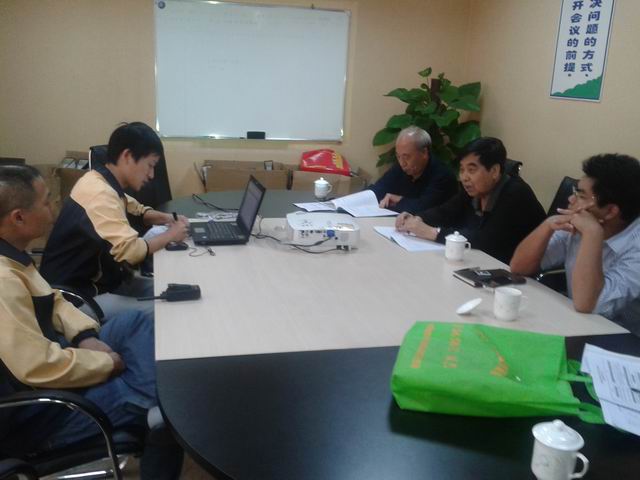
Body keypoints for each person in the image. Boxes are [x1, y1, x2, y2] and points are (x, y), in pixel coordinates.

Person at [0, 165, 183, 478]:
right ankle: (160, 410)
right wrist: (105, 364)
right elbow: (37, 367)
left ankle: (152, 396)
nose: (54, 207)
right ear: (18, 217)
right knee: (170, 412)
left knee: (134, 322)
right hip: (44, 415)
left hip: (57, 363)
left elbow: (54, 300)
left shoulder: (13, 256)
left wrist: (85, 337)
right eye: (46, 201)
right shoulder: (3, 281)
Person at [40, 122, 189, 319]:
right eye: (150, 165)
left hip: (108, 281)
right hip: (77, 297)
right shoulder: (99, 194)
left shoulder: (100, 180)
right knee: (166, 310)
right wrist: (171, 235)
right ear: (127, 156)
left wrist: (167, 218)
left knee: (176, 293)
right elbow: (130, 252)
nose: (152, 175)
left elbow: (136, 210)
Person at [510, 154, 640, 335]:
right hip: (577, 324)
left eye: (581, 195)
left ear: (610, 211)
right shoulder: (579, 221)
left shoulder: (634, 245)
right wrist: (548, 225)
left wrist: (593, 234)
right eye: (575, 191)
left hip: (623, 340)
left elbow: (588, 304)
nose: (571, 199)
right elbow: (518, 267)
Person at [395, 137, 545, 264]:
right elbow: (446, 211)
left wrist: (433, 233)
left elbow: (486, 240)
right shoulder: (475, 189)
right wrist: (417, 218)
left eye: (471, 170)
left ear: (494, 171)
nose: (464, 177)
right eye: (462, 170)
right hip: (483, 262)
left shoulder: (515, 194)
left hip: (520, 273)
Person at [369, 126, 458, 214]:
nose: (402, 163)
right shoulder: (401, 167)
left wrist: (400, 200)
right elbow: (379, 188)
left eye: (406, 157)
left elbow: (423, 208)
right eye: (398, 156)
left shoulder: (443, 176)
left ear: (424, 153)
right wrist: (364, 197)